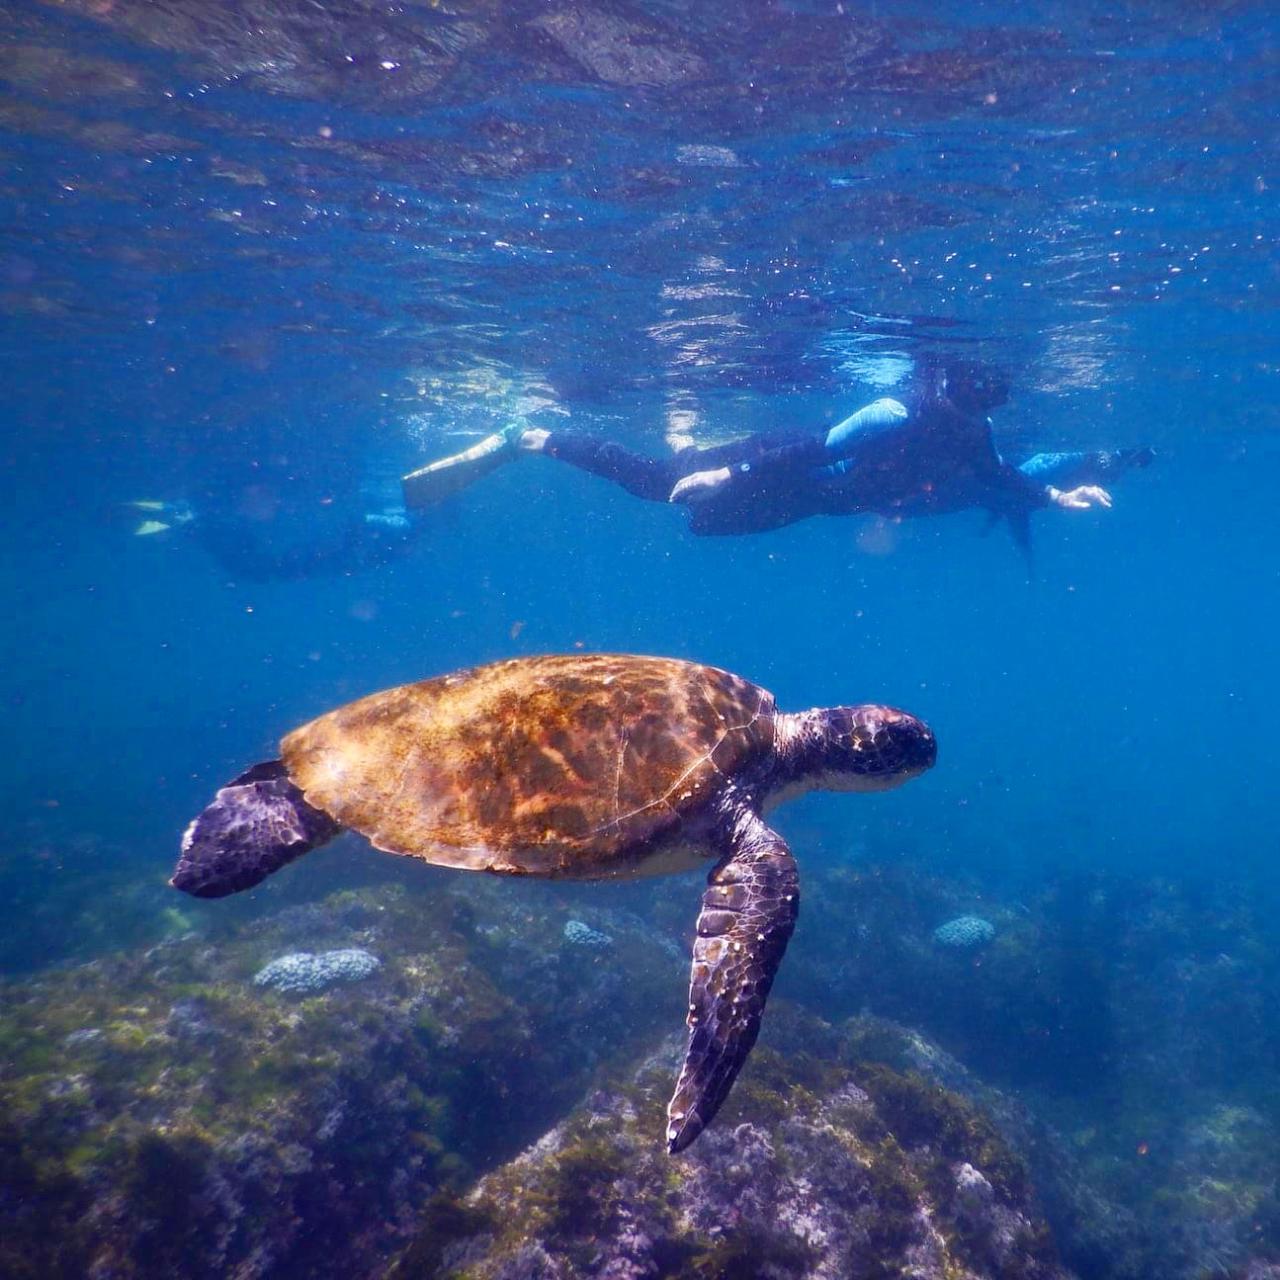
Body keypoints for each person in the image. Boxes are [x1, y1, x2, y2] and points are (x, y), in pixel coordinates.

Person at [402, 363, 1153, 551]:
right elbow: (814, 448)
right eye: (969, 396)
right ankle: (528, 438)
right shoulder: (897, 409)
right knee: (665, 492)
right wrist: (728, 472)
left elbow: (998, 478)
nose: (975, 410)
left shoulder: (971, 437)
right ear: (949, 385)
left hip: (808, 500)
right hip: (777, 466)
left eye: (986, 403)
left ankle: (685, 438)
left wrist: (1059, 497)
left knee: (702, 531)